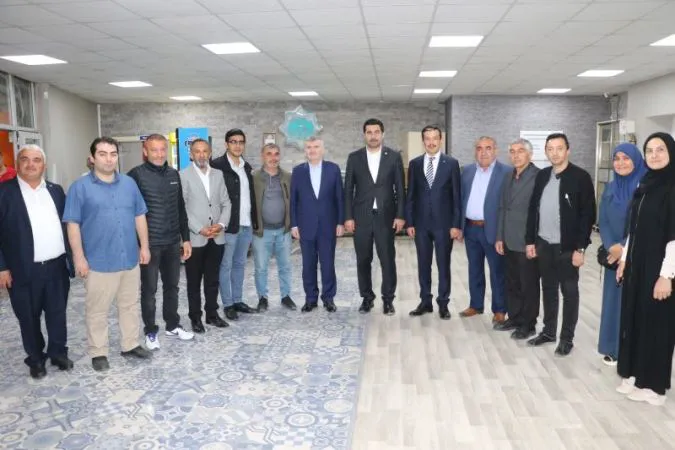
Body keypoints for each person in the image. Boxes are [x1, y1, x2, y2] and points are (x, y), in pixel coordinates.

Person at [64, 137, 152, 372]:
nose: (109, 159)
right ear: (92, 158)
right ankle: (99, 351)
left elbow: (139, 216)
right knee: (97, 311)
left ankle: (130, 344)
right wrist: (79, 258)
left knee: (130, 305)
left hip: (129, 259)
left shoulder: (129, 184)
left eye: (113, 154)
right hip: (99, 262)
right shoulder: (79, 187)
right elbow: (73, 224)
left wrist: (144, 246)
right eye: (102, 154)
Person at [0, 145, 73, 379]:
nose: (31, 164)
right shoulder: (4, 193)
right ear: (17, 163)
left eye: (36, 160)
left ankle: (58, 352)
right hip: (23, 269)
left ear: (44, 164)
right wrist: (2, 267)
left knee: (57, 313)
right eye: (25, 159)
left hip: (56, 267)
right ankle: (36, 358)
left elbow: (67, 225)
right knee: (28, 317)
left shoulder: (55, 191)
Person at [616, 132, 675, 406]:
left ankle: (654, 386)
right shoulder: (646, 183)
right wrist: (625, 260)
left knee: (656, 324)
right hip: (638, 264)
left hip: (660, 267)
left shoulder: (672, 187)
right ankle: (634, 373)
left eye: (660, 150)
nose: (654, 155)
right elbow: (634, 226)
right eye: (649, 150)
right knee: (635, 318)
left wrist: (666, 276)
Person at [525, 133, 595, 356]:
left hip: (568, 247)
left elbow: (587, 215)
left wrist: (580, 248)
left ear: (568, 150)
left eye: (559, 148)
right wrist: (530, 241)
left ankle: (566, 338)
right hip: (544, 244)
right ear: (546, 151)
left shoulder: (580, 177)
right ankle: (548, 332)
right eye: (550, 149)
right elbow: (533, 209)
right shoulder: (542, 175)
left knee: (569, 292)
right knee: (548, 289)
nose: (554, 153)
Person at [128, 134, 194, 350]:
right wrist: (140, 245)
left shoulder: (174, 174)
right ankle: (150, 331)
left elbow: (180, 209)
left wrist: (186, 239)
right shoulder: (135, 175)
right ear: (145, 152)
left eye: (162, 149)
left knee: (172, 287)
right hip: (150, 245)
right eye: (153, 150)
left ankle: (172, 325)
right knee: (149, 290)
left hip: (172, 242)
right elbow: (130, 212)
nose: (159, 154)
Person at [344, 118, 405, 316]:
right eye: (369, 132)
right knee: (363, 260)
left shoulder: (393, 157)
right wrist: (348, 217)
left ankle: (388, 300)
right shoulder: (354, 158)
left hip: (386, 218)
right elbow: (348, 190)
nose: (373, 136)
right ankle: (367, 298)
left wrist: (400, 215)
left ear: (382, 134)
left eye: (376, 132)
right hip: (361, 218)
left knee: (387, 260)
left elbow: (400, 189)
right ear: (364, 135)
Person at [597, 143, 646, 366]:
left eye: (626, 158)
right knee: (613, 301)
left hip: (637, 252)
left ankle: (631, 352)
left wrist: (624, 247)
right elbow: (603, 219)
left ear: (636, 160)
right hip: (613, 255)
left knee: (634, 303)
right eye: (616, 158)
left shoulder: (646, 186)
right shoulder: (610, 187)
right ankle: (612, 347)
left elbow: (645, 222)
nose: (620, 163)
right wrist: (611, 246)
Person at [405, 125, 461, 320]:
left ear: (440, 140)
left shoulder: (451, 164)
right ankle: (425, 301)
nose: (431, 142)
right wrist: (410, 222)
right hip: (420, 225)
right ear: (423, 141)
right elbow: (410, 195)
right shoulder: (414, 164)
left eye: (434, 138)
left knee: (443, 265)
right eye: (427, 139)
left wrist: (456, 224)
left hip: (444, 225)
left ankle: (443, 303)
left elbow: (457, 197)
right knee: (423, 264)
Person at [180, 139, 232, 333]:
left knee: (212, 279)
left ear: (210, 153)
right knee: (194, 282)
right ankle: (195, 318)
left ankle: (212, 314)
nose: (201, 155)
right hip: (196, 238)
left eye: (205, 151)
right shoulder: (183, 175)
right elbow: (182, 207)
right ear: (191, 154)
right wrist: (199, 228)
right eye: (197, 151)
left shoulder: (218, 174)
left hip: (217, 236)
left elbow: (226, 203)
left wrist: (221, 224)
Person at [459, 136, 511, 323]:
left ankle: (500, 309)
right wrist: (460, 227)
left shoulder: (506, 172)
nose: (483, 152)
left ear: (495, 150)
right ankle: (476, 305)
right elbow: (461, 199)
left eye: (488, 148)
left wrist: (503, 234)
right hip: (471, 229)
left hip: (494, 231)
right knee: (474, 269)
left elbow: (508, 206)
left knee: (497, 271)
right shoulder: (467, 171)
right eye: (479, 148)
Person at [290, 136, 344, 312]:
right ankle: (310, 299)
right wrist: (294, 225)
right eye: (308, 147)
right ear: (305, 150)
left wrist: (340, 222)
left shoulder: (333, 169)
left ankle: (329, 298)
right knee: (308, 265)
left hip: (328, 226)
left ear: (322, 150)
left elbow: (339, 198)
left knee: (328, 264)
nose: (312, 150)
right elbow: (293, 201)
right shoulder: (298, 171)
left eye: (315, 147)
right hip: (305, 226)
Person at [495, 139, 541, 339]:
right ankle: (514, 317)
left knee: (528, 284)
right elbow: (502, 207)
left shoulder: (539, 176)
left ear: (530, 154)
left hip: (527, 241)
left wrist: (534, 241)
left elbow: (540, 212)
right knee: (512, 282)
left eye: (520, 151)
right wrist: (499, 236)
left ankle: (528, 324)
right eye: (512, 151)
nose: (516, 155)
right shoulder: (508, 176)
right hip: (508, 239)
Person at [211, 129, 257, 321]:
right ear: (226, 144)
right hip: (228, 227)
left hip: (246, 225)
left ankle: (238, 300)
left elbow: (249, 197)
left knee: (239, 264)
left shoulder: (247, 167)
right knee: (225, 265)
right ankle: (228, 304)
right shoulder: (217, 166)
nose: (237, 145)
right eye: (233, 141)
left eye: (241, 142)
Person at [251, 143, 296, 312]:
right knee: (261, 268)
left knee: (285, 266)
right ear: (262, 156)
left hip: (283, 231)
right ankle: (262, 298)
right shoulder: (254, 177)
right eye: (269, 154)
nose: (273, 157)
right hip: (261, 233)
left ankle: (286, 296)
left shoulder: (288, 177)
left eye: (276, 154)